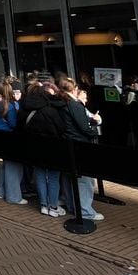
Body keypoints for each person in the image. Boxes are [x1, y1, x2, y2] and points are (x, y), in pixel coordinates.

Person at [59, 78, 103, 221]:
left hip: (67, 144)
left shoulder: (61, 103)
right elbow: (83, 128)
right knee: (84, 180)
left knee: (68, 177)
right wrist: (94, 132)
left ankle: (73, 206)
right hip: (79, 145)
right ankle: (85, 211)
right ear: (74, 89)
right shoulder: (74, 105)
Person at [21, 82, 66, 217]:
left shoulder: (25, 109)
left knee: (39, 174)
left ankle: (43, 205)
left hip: (34, 147)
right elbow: (61, 128)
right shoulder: (50, 110)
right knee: (53, 176)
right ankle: (53, 205)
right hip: (52, 148)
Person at [0, 81, 26, 204]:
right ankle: (14, 196)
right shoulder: (10, 106)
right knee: (13, 166)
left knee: (6, 164)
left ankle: (1, 191)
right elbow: (13, 123)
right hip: (9, 135)